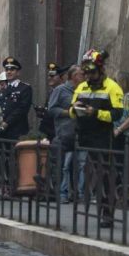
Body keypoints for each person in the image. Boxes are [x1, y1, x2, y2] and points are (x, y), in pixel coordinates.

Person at [70, 51, 126, 213]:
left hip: (103, 137)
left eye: (92, 73)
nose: (88, 77)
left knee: (106, 175)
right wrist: (75, 109)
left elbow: (117, 114)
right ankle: (86, 206)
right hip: (84, 136)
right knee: (88, 173)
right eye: (86, 73)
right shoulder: (81, 87)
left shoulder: (112, 87)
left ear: (100, 70)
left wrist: (95, 113)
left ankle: (107, 211)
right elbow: (71, 110)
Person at [47, 65, 81, 201]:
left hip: (80, 134)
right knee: (63, 165)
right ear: (73, 76)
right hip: (64, 133)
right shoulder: (60, 90)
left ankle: (78, 193)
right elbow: (51, 109)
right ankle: (61, 193)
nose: (84, 76)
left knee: (79, 165)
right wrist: (69, 112)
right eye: (81, 74)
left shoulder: (83, 90)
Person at [0, 58, 33, 142]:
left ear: (18, 72)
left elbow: (22, 109)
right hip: (1, 132)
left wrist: (7, 123)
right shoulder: (2, 91)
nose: (9, 72)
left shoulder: (25, 88)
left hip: (17, 132)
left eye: (12, 69)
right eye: (7, 69)